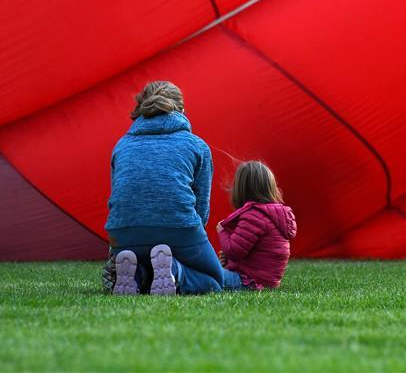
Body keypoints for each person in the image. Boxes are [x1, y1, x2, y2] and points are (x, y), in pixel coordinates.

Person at [101, 80, 223, 295]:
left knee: (144, 255)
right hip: (178, 229)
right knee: (214, 280)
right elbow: (201, 206)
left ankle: (136, 273)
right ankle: (176, 270)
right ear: (182, 111)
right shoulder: (196, 145)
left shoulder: (122, 144)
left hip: (123, 235)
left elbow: (120, 196)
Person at [216, 161, 297, 290]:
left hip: (249, 282)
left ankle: (177, 277)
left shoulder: (254, 216)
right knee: (210, 270)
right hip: (265, 282)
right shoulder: (271, 215)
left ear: (241, 189)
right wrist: (229, 262)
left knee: (207, 273)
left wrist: (222, 230)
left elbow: (234, 251)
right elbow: (252, 252)